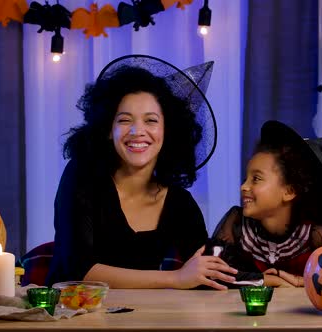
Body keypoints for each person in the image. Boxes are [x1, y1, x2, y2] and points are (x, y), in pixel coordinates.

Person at [46, 55, 237, 290]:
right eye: (125, 120)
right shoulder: (82, 176)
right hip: (70, 317)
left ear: (169, 132)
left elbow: (208, 270)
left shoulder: (179, 203)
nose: (138, 131)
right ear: (107, 129)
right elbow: (78, 271)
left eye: (151, 121)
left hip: (140, 321)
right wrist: (176, 279)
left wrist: (270, 278)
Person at [209, 120, 322, 288]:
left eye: (256, 179)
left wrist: (306, 282)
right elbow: (210, 275)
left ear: (289, 191)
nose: (244, 186)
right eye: (245, 178)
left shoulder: (315, 236)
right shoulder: (236, 226)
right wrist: (268, 280)